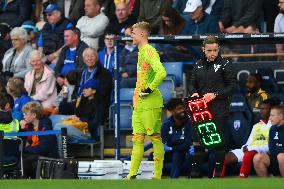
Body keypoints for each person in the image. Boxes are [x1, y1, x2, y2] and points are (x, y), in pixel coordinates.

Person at [189, 35, 237, 177]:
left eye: (215, 50)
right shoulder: (198, 64)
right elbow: (192, 83)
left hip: (219, 109)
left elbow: (233, 86)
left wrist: (215, 94)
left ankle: (217, 175)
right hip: (200, 110)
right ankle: (194, 175)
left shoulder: (225, 64)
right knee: (198, 143)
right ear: (203, 49)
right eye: (209, 50)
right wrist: (193, 93)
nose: (212, 54)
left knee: (218, 145)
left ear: (218, 49)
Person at [126, 21, 167, 179]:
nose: (132, 36)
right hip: (139, 105)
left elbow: (161, 72)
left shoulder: (149, 50)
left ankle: (157, 176)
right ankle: (131, 175)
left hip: (150, 103)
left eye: (134, 33)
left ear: (142, 34)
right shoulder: (141, 52)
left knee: (155, 138)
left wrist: (149, 89)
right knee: (137, 140)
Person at [222, 98, 280, 178]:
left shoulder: (274, 126)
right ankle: (217, 180)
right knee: (223, 158)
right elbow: (248, 143)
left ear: (271, 110)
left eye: (264, 109)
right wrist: (244, 147)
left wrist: (253, 148)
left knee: (248, 154)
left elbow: (271, 146)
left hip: (261, 151)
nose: (261, 111)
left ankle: (242, 178)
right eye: (260, 109)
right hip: (250, 149)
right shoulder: (256, 126)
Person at [51, 79, 101, 157]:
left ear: (94, 91)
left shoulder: (99, 105)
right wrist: (65, 97)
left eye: (86, 88)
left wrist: (80, 119)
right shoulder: (81, 101)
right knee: (53, 121)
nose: (83, 90)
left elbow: (95, 123)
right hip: (76, 128)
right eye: (83, 88)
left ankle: (61, 158)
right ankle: (59, 156)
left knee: (59, 128)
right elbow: (64, 109)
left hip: (87, 132)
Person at [20, 101, 57, 178]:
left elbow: (42, 149)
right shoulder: (29, 126)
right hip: (34, 153)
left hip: (47, 156)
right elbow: (22, 146)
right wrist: (22, 129)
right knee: (18, 157)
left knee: (27, 161)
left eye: (26, 114)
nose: (24, 117)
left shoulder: (46, 127)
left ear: (34, 115)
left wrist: (27, 148)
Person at [78, 47, 113, 124]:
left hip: (96, 105)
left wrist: (93, 92)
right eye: (87, 56)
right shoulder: (81, 73)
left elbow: (106, 91)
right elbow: (76, 90)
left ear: (97, 58)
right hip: (80, 103)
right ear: (84, 59)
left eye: (92, 56)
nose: (89, 58)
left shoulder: (104, 73)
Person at [161, 98, 193, 178]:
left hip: (186, 152)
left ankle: (173, 179)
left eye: (183, 108)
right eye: (179, 109)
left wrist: (172, 148)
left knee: (177, 154)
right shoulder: (166, 124)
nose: (182, 110)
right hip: (171, 152)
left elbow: (187, 144)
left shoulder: (190, 122)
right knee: (153, 155)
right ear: (172, 111)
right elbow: (164, 143)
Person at [253, 105, 284, 177]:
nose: (270, 118)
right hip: (275, 158)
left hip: (281, 158)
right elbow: (271, 149)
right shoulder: (272, 129)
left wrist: (278, 151)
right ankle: (266, 184)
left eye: (272, 115)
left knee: (281, 156)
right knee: (257, 157)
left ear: (280, 117)